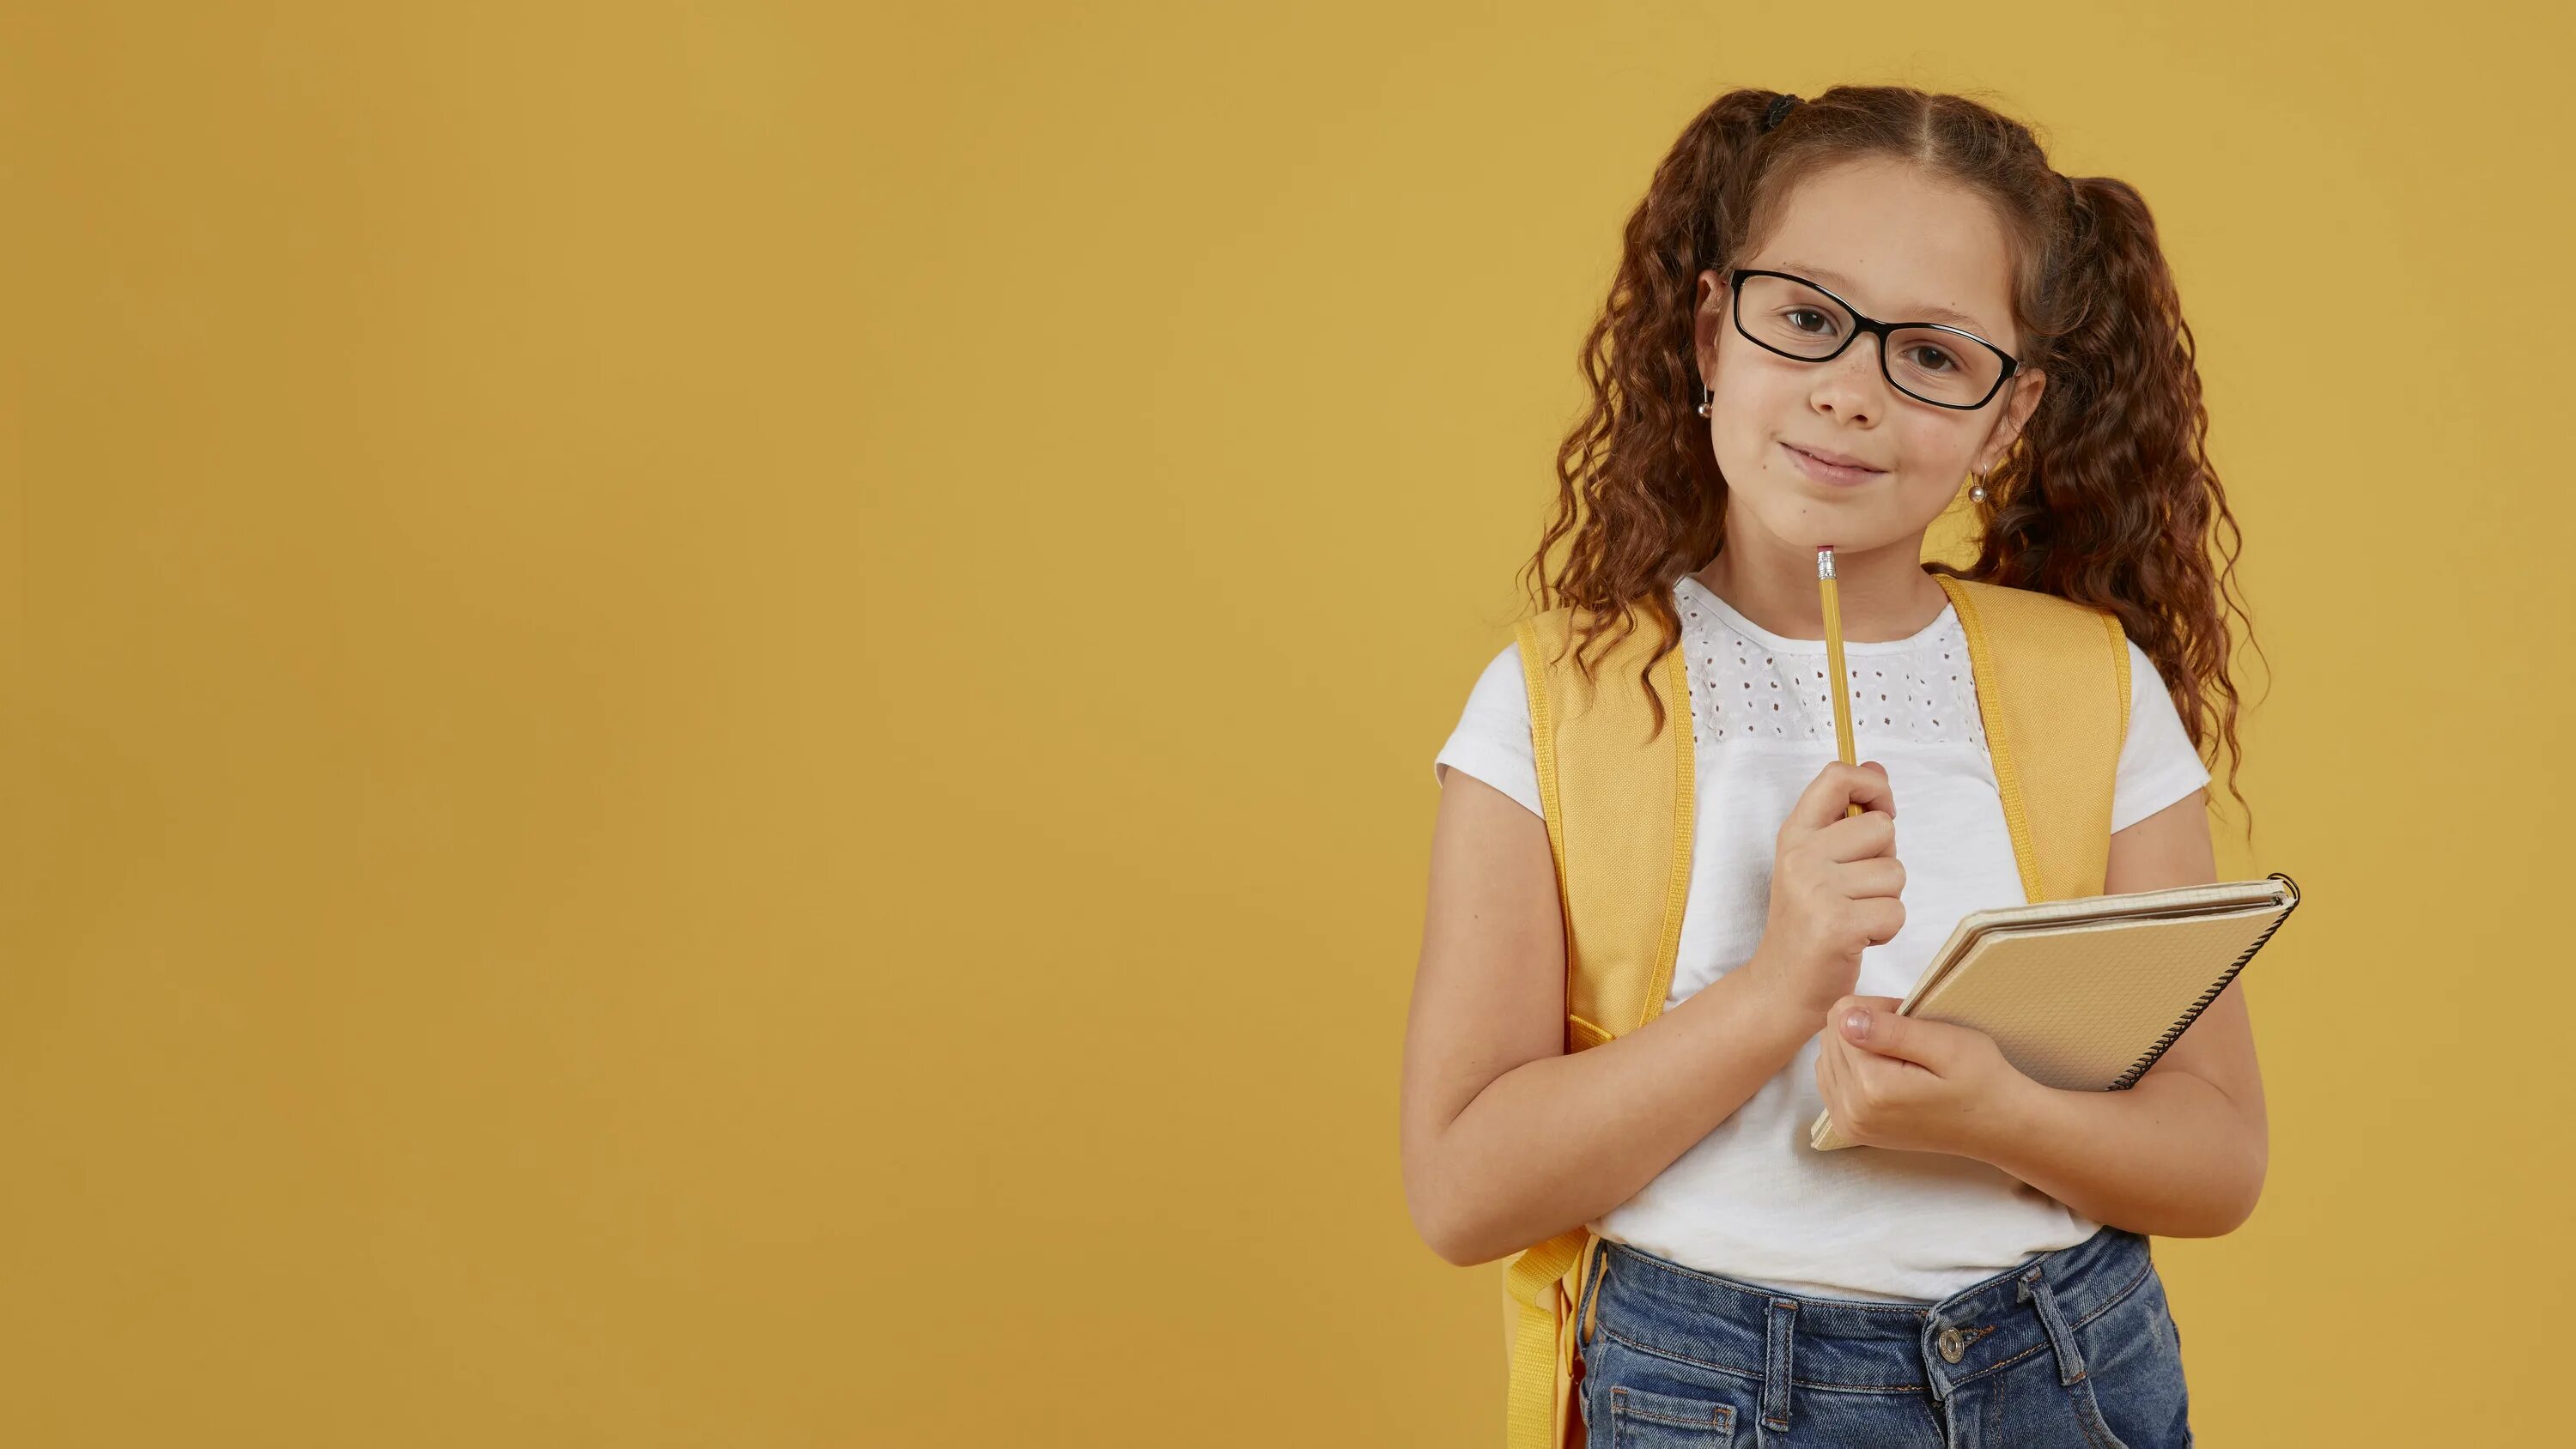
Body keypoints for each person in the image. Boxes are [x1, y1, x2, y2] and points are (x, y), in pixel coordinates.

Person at [1399, 83, 2263, 1447]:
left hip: (2068, 1368)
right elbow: (1462, 1190)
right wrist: (1776, 992)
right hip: (1705, 1389)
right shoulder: (1555, 703)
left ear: (2007, 415)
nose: (1850, 391)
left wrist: (2000, 1115)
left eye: (1933, 356)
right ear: (1709, 332)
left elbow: (2216, 1162)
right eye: (1805, 319)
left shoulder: (2091, 689)